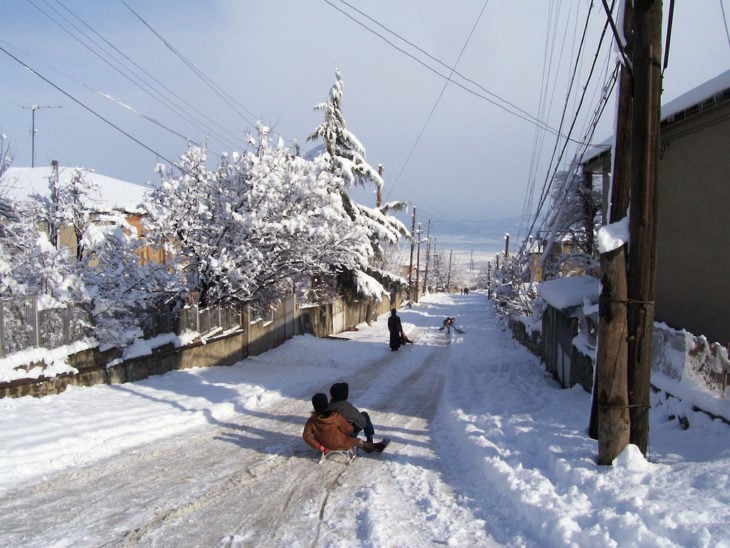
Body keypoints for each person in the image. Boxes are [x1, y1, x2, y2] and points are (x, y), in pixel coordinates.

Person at [303, 393, 388, 454]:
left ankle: (369, 448)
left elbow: (306, 436)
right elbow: (348, 429)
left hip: (324, 444)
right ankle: (374, 448)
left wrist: (320, 447)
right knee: (357, 441)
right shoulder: (335, 416)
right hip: (341, 443)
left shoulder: (312, 420)